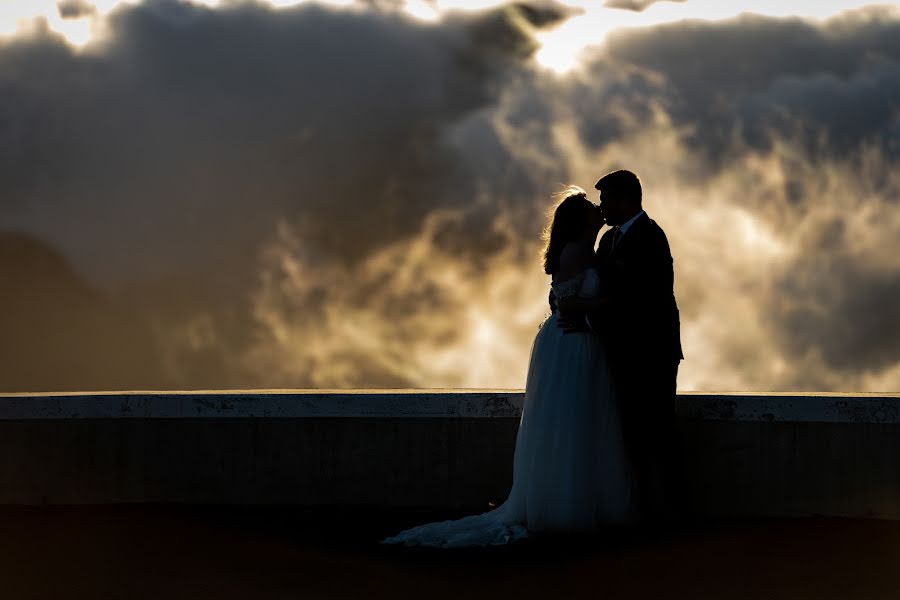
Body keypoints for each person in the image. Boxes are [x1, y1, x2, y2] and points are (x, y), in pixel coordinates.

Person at [380, 188, 635, 548]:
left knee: (579, 418)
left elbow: (565, 297)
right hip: (571, 341)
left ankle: (576, 498)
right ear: (580, 220)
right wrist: (607, 301)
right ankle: (567, 505)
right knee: (572, 418)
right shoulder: (578, 253)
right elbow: (566, 301)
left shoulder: (590, 250)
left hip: (578, 339)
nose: (599, 210)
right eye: (591, 207)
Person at [557, 170, 684, 522]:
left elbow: (641, 300)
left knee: (656, 429)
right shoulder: (609, 240)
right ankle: (643, 509)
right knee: (630, 433)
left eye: (606, 200)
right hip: (620, 353)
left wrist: (586, 318)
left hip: (651, 353)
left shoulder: (651, 238)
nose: (602, 207)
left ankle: (667, 512)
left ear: (625, 199)